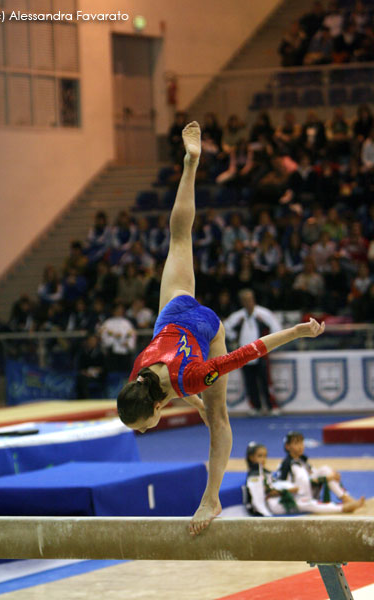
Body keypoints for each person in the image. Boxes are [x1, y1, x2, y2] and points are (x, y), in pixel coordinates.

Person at [116, 121, 326, 536]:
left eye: (140, 426)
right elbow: (162, 389)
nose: (142, 432)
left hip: (204, 329)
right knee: (179, 237)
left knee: (219, 415)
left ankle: (210, 498)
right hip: (172, 314)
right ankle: (190, 165)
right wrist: (186, 399)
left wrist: (296, 333)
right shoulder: (137, 378)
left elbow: (247, 353)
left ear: (157, 407)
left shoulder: (191, 378)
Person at [224, 289, 282, 416]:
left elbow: (277, 329)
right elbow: (225, 328)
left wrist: (272, 345)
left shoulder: (264, 314)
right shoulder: (238, 317)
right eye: (245, 300)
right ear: (241, 302)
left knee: (266, 380)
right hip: (244, 353)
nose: (248, 302)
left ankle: (272, 406)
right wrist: (234, 337)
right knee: (250, 381)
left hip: (262, 352)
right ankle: (255, 406)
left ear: (254, 299)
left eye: (250, 299)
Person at [277, 431, 364, 513]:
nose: (301, 446)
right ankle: (342, 508)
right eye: (296, 443)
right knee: (311, 505)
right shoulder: (286, 464)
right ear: (287, 446)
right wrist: (325, 478)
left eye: (302, 443)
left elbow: (314, 474)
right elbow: (284, 484)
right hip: (297, 497)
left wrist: (331, 476)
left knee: (325, 469)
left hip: (309, 492)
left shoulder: (302, 459)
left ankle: (345, 497)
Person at [244, 442, 298, 516]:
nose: (263, 459)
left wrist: (289, 487)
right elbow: (258, 502)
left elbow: (273, 484)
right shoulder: (255, 476)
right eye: (260, 456)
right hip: (266, 508)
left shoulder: (265, 472)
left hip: (270, 503)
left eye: (265, 456)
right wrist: (267, 517)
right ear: (251, 457)